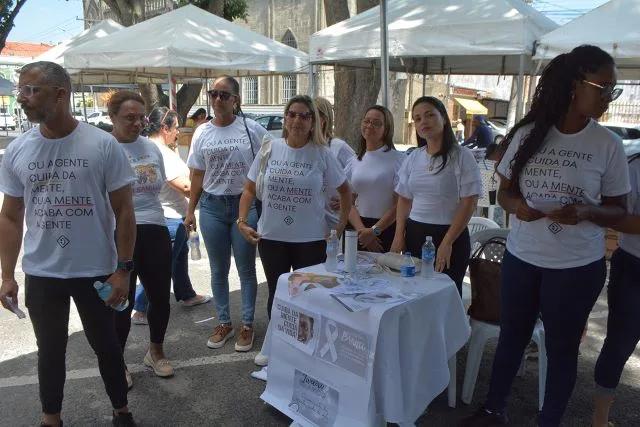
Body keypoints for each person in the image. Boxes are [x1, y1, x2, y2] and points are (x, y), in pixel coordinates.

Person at [461, 45, 628, 427]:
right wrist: (516, 206)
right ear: (574, 85)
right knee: (511, 339)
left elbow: (619, 209)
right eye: (604, 87)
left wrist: (586, 211)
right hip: (522, 259)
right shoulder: (528, 134)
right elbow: (503, 193)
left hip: (575, 268)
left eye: (613, 90)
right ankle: (493, 410)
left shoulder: (607, 145)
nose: (608, 97)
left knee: (561, 349)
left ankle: (548, 420)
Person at [0, 61, 138, 426]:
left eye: (32, 90)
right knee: (49, 352)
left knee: (106, 347)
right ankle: (51, 418)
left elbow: (125, 211)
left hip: (95, 268)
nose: (23, 98)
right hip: (42, 271)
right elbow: (11, 215)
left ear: (61, 94)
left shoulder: (102, 144)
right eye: (21, 90)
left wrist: (123, 270)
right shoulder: (18, 150)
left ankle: (121, 411)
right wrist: (8, 274)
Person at [238, 94, 352, 320]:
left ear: (313, 123)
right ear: (285, 118)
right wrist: (241, 221)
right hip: (272, 237)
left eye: (304, 116)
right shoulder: (270, 148)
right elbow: (249, 189)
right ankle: (276, 347)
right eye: (291, 114)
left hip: (310, 240)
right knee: (277, 293)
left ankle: (305, 350)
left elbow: (346, 191)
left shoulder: (322, 153)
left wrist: (339, 228)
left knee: (309, 297)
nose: (297, 120)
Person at [185, 75, 267, 352]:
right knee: (218, 270)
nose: (217, 99)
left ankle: (246, 324)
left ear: (236, 100)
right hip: (212, 207)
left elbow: (270, 164)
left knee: (246, 268)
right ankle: (223, 322)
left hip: (244, 206)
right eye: (212, 94)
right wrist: (190, 211)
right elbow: (197, 174)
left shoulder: (252, 129)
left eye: (223, 95)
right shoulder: (202, 132)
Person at [108, 91, 175, 381]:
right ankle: (117, 362)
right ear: (112, 117)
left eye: (141, 118)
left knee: (160, 297)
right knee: (120, 301)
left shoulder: (151, 147)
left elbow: (159, 185)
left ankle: (155, 352)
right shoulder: (104, 148)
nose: (136, 124)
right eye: (129, 118)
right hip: (117, 232)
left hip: (154, 227)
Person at [391, 96, 482, 295]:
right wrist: (399, 235)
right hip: (414, 233)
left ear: (444, 118)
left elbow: (469, 202)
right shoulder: (414, 157)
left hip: (449, 235)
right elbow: (404, 198)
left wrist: (447, 242)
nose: (423, 122)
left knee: (445, 294)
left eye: (429, 115)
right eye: (417, 118)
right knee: (414, 292)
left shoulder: (461, 156)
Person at [130, 107, 210, 326]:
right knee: (159, 267)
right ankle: (140, 307)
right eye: (175, 128)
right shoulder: (158, 152)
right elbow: (184, 186)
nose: (178, 132)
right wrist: (207, 184)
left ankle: (186, 294)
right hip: (169, 218)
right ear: (165, 128)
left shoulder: (160, 148)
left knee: (179, 257)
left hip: (176, 216)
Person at [592, 156, 640, 426]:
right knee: (619, 345)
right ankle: (600, 418)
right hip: (633, 267)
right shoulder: (634, 168)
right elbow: (619, 219)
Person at [345, 105, 405, 253]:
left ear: (387, 128)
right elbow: (348, 202)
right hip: (357, 229)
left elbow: (400, 204)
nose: (369, 125)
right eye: (366, 121)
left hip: (385, 229)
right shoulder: (354, 160)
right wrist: (362, 232)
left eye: (376, 123)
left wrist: (374, 232)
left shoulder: (399, 160)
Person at [312, 96, 355, 233]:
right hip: (308, 222)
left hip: (332, 222)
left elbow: (361, 177)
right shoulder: (303, 149)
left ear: (323, 120)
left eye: (311, 115)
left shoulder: (339, 147)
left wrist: (350, 200)